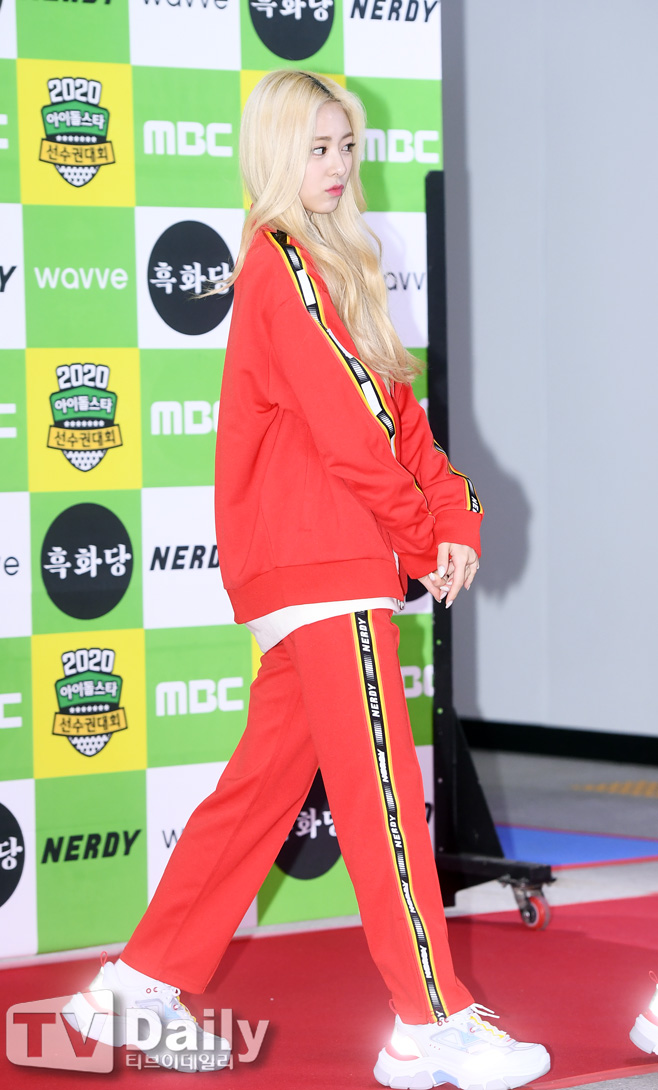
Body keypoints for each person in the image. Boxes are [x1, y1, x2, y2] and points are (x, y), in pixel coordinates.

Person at [65, 70, 551, 1088]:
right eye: (317, 147)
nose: (336, 165)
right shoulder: (279, 264)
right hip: (322, 569)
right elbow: (350, 432)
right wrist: (421, 541)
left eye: (346, 146)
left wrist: (455, 519)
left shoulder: (340, 266)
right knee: (383, 802)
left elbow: (401, 420)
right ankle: (430, 1019)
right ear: (275, 154)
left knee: (257, 794)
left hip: (324, 569)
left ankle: (134, 986)